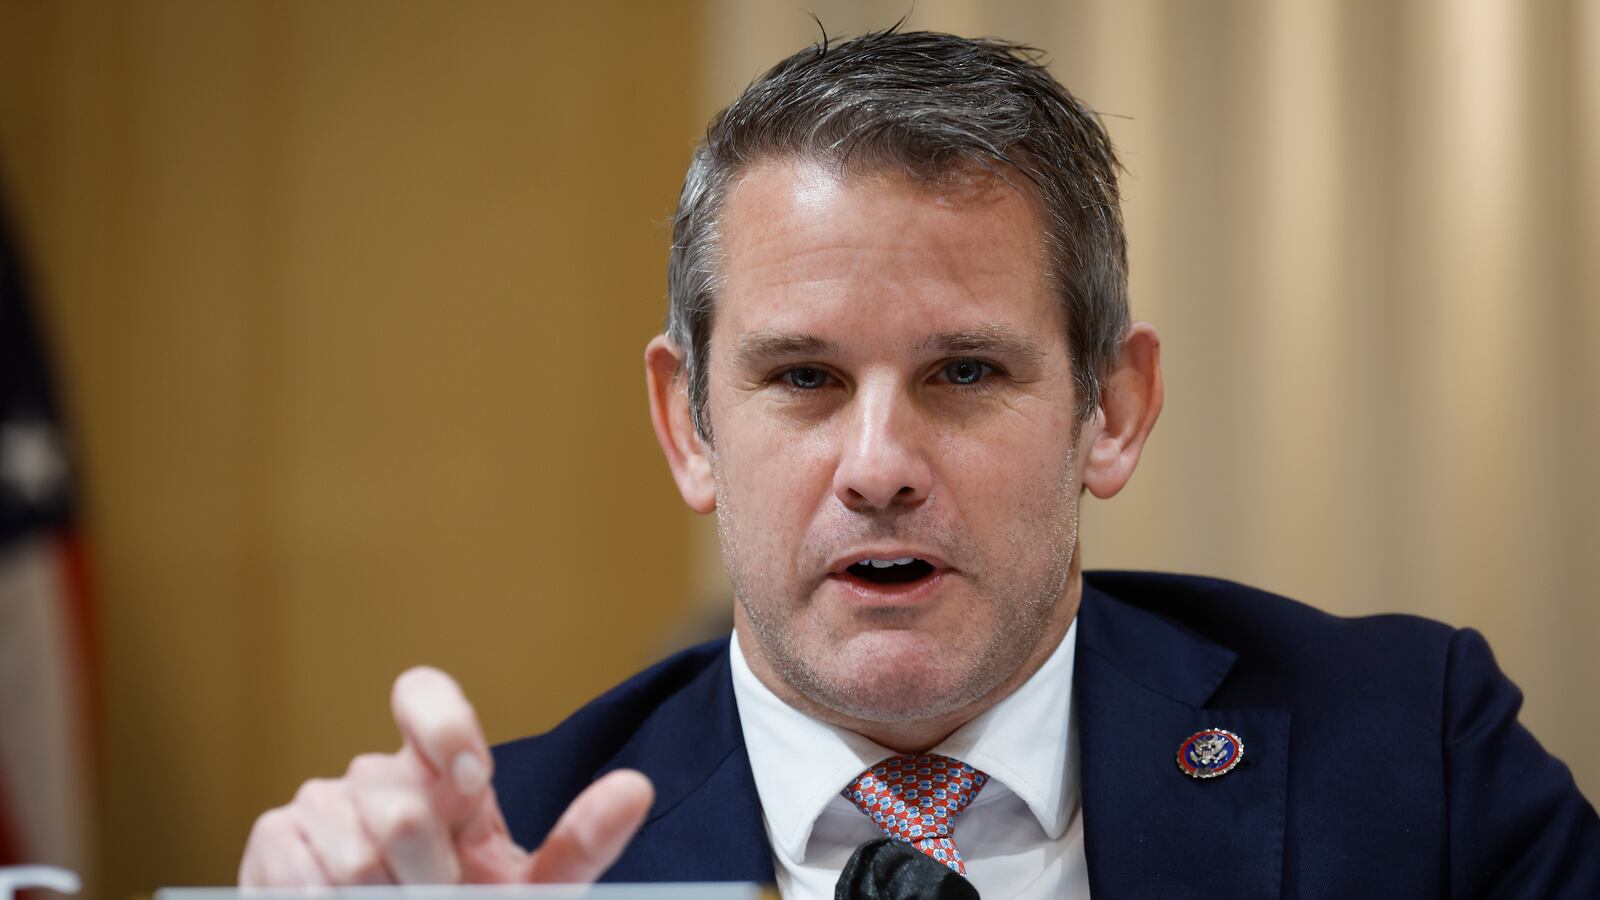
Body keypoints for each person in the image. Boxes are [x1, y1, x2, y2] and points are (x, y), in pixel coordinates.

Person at [238, 28, 1600, 898]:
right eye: (803, 379)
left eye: (963, 373)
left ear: (1110, 411)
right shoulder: (513, 859)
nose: (878, 465)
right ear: (690, 427)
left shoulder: (1411, 752)